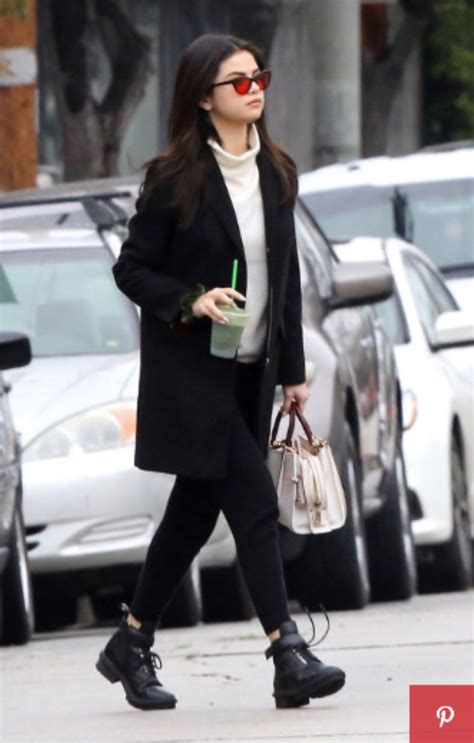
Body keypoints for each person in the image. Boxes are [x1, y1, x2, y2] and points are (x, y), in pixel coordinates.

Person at [96, 32, 345, 711]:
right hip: (192, 373)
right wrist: (192, 300)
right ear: (204, 98)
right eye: (239, 81)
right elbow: (131, 268)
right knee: (255, 502)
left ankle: (131, 641)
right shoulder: (175, 178)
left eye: (259, 76)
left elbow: (285, 280)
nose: (254, 88)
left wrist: (293, 371)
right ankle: (286, 650)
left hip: (250, 374)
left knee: (194, 511)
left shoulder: (276, 172)